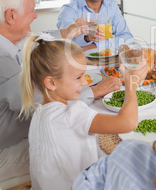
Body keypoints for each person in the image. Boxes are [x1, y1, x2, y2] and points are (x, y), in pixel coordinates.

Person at [0, 0, 121, 182]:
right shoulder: (3, 61)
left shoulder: (9, 42)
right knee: (94, 145)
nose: (36, 15)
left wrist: (67, 33)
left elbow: (36, 38)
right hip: (7, 150)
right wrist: (94, 91)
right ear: (11, 16)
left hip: (20, 135)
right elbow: (49, 102)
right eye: (31, 10)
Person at [20, 34, 148, 190]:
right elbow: (129, 123)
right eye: (79, 77)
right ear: (51, 82)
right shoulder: (72, 114)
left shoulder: (39, 114)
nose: (86, 82)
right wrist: (131, 85)